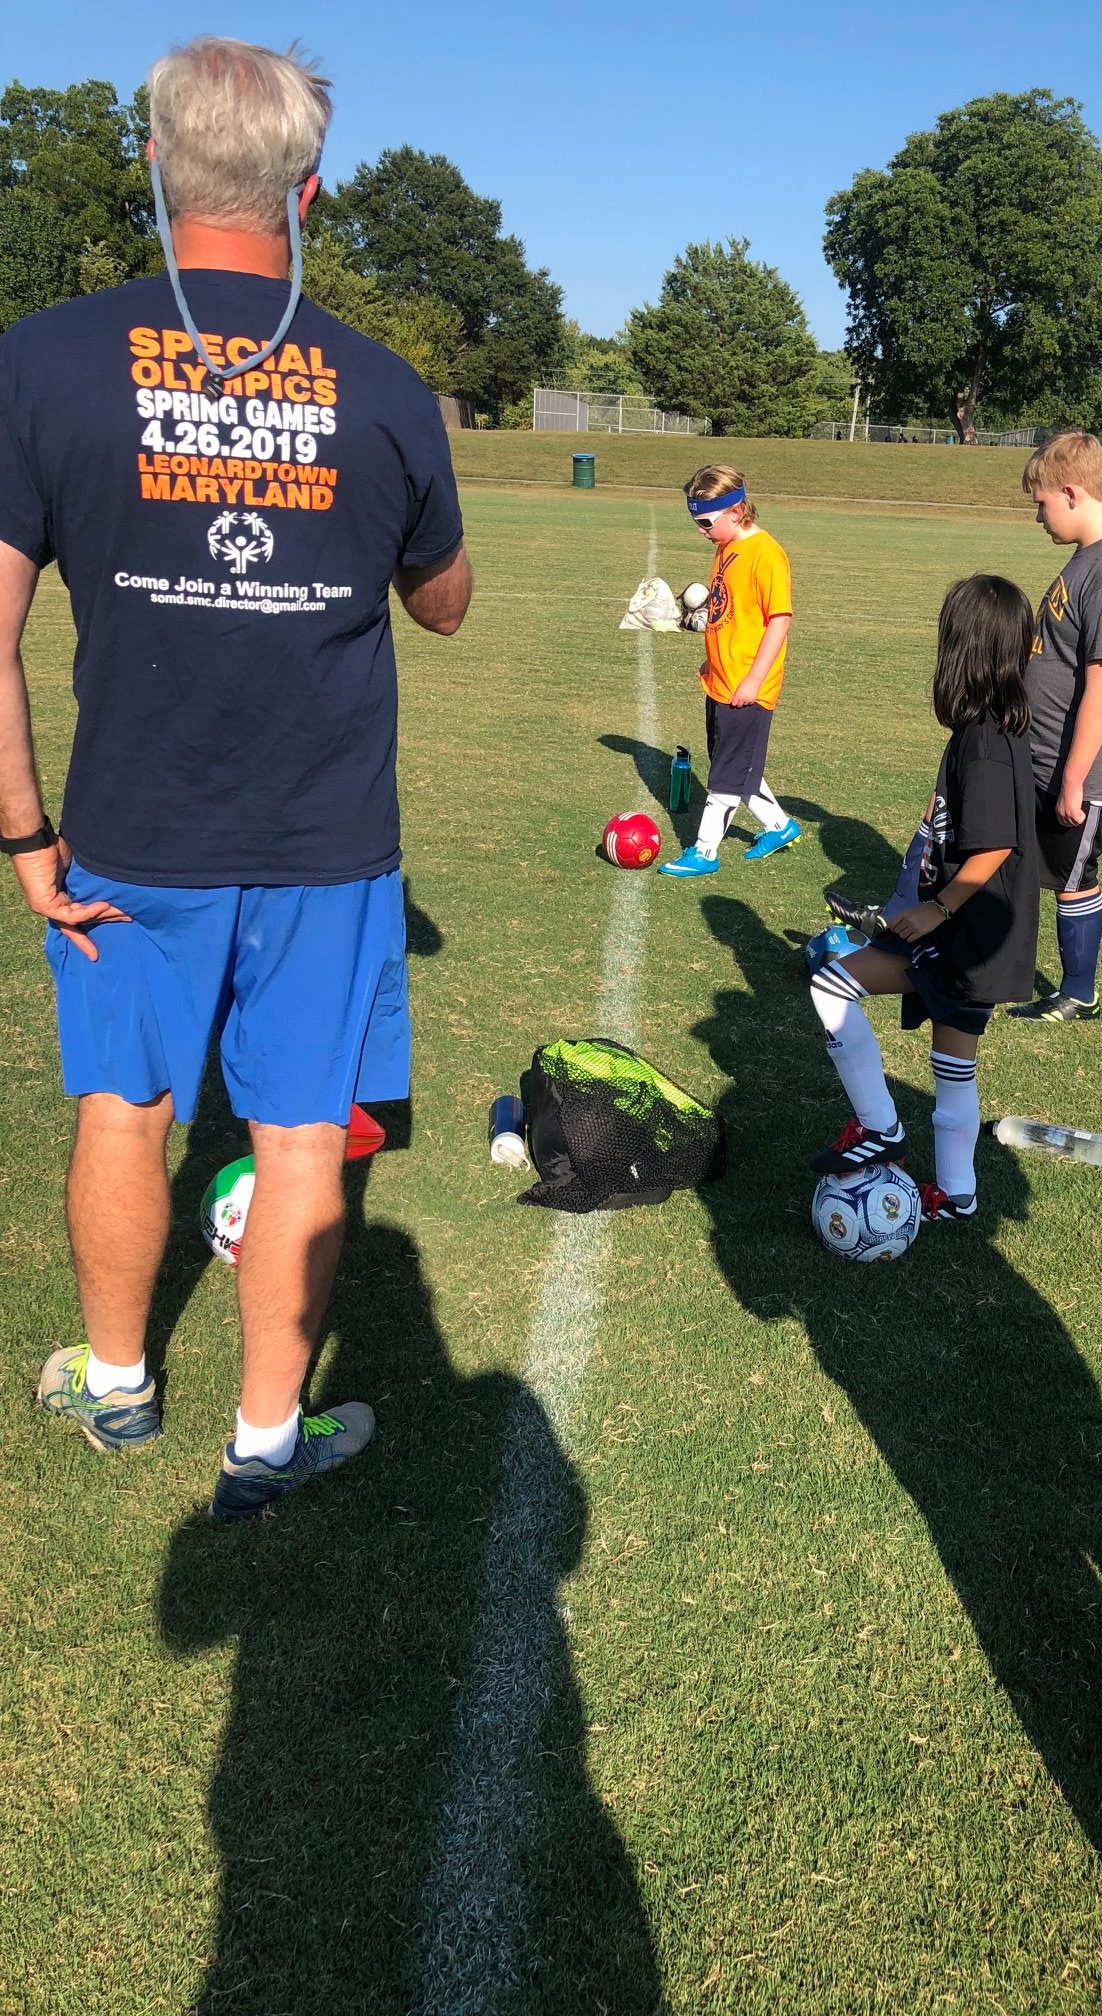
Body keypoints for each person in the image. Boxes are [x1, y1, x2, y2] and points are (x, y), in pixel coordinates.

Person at [0, 38, 472, 1518]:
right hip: (329, 840)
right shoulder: (386, 388)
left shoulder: (43, 360)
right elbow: (446, 602)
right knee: (295, 1137)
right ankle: (267, 1443)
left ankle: (121, 1382)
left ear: (154, 162)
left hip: (132, 827)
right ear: (307, 191)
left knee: (125, 1110)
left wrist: (21, 830)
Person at [807, 574, 1039, 1222]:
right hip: (983, 935)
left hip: (964, 933)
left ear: (959, 649)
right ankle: (958, 1196)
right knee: (952, 1069)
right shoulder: (996, 727)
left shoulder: (984, 743)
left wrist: (936, 908)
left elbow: (995, 845)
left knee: (832, 986)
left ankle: (880, 1126)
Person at [1012, 430, 1102, 1022]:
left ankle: (1078, 993)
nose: (1038, 517)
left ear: (1071, 492)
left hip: (1083, 766)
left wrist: (1074, 778)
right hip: (1043, 751)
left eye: (1040, 503)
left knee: (1074, 875)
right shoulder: (1085, 559)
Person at [658, 463, 800, 877]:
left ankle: (704, 852)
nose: (700, 530)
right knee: (737, 765)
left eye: (705, 521)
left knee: (723, 775)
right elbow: (729, 610)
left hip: (747, 685)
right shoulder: (726, 548)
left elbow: (779, 620)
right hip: (722, 678)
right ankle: (779, 825)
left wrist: (753, 680)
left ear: (736, 511)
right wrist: (708, 641)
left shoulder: (766, 554)